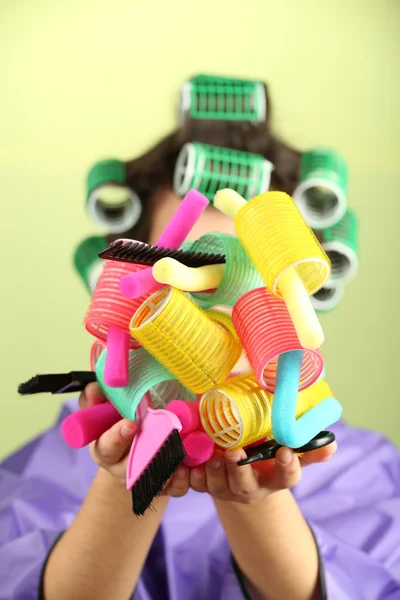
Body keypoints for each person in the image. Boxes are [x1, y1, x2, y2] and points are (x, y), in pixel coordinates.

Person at [1, 98, 400, 600]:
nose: (222, 314)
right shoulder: (61, 457)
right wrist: (123, 483)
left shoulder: (362, 467)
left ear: (297, 296)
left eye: (250, 283)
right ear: (134, 284)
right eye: (194, 286)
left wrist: (256, 502)